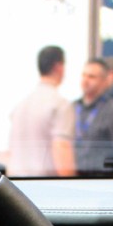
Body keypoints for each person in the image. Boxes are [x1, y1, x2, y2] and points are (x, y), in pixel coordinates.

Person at [8, 45, 75, 177]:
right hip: (45, 183)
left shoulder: (20, 105)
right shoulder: (60, 104)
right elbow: (62, 149)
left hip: (16, 182)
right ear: (58, 67)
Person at [72, 58, 113, 177]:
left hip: (100, 177)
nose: (85, 80)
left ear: (104, 81)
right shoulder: (72, 108)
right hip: (72, 176)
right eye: (84, 75)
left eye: (91, 77)